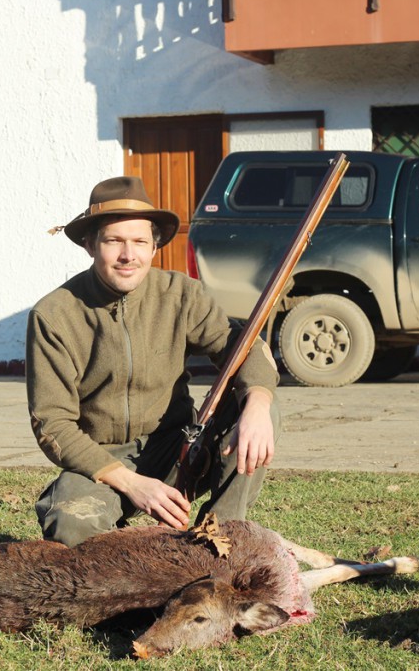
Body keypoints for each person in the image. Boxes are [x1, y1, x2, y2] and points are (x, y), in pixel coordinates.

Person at [26, 176, 281, 547]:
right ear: (89, 244)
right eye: (114, 241)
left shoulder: (181, 294)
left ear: (154, 246)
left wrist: (257, 404)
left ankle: (221, 539)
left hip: (178, 444)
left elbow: (240, 346)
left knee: (260, 410)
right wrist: (132, 483)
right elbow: (52, 423)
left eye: (140, 242)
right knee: (68, 527)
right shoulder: (54, 314)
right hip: (102, 456)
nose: (129, 255)